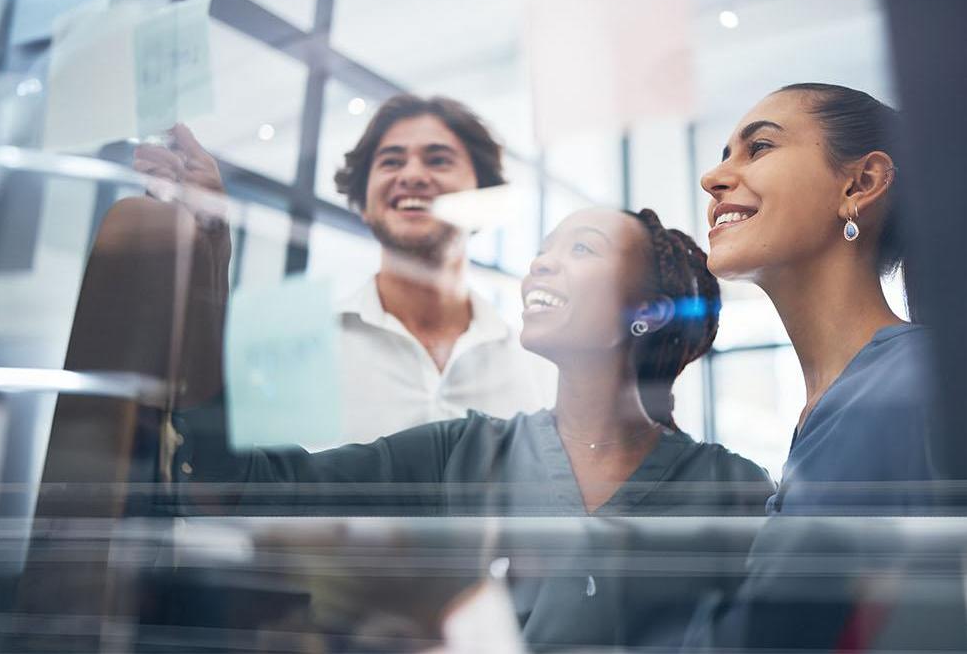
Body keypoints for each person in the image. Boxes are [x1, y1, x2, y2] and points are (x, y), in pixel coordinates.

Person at [171, 206, 773, 650]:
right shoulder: (460, 453)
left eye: (582, 250)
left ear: (649, 312)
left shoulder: (733, 491)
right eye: (543, 250)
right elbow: (258, 489)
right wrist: (207, 276)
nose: (541, 263)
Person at [681, 83, 963, 650]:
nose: (713, 179)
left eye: (758, 148)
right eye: (721, 157)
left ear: (860, 184)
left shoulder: (909, 389)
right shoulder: (850, 399)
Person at [134, 95, 551, 450]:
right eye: (391, 162)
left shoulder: (540, 370)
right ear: (364, 202)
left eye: (438, 159)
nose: (412, 175)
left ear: (483, 195)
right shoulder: (290, 347)